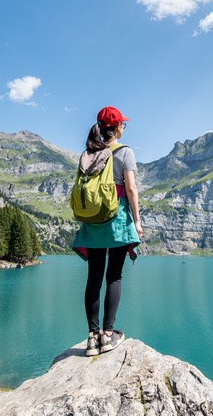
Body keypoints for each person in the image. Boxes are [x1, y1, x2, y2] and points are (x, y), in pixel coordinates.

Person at [72, 106, 143, 356]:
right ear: (118, 127)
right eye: (123, 123)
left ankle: (92, 338)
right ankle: (108, 335)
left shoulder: (88, 153)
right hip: (117, 222)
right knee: (114, 276)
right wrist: (137, 221)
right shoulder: (125, 152)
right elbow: (131, 189)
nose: (124, 126)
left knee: (94, 277)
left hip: (92, 223)